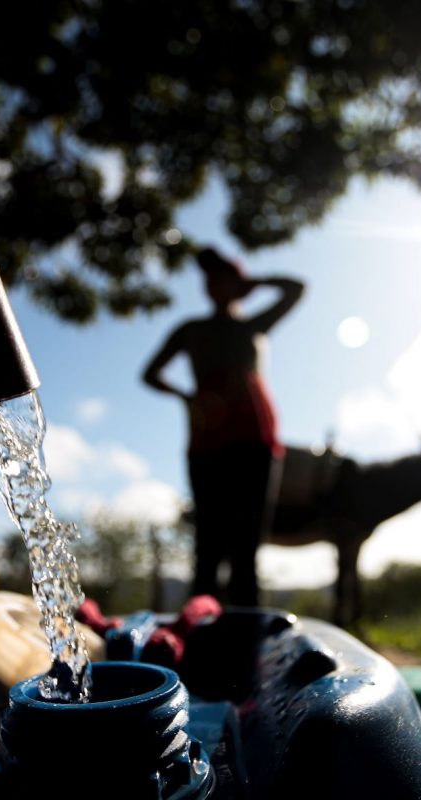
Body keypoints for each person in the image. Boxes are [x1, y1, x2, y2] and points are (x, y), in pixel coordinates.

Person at [142, 248, 304, 606]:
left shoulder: (253, 327)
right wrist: (187, 398)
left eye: (223, 278)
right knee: (208, 546)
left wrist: (253, 282)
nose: (214, 285)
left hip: (254, 442)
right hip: (207, 443)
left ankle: (246, 639)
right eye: (210, 280)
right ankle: (199, 636)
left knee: (247, 548)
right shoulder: (191, 331)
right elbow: (150, 374)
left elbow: (296, 288)